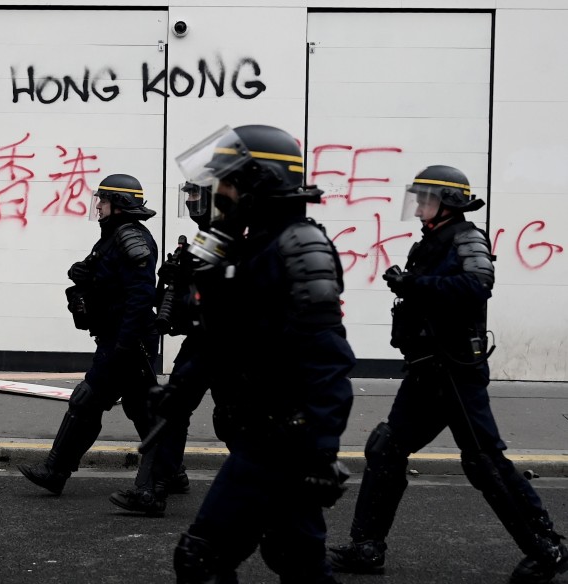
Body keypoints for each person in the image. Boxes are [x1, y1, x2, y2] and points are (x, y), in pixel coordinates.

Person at [329, 165, 568, 583]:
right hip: (427, 370)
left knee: (484, 462)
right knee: (386, 449)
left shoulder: (466, 236)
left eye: (426, 198)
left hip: (456, 370)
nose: (419, 205)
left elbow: (478, 284)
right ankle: (366, 549)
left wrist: (416, 286)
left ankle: (547, 549)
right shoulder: (431, 240)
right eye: (417, 197)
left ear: (449, 202)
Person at [171, 124, 356, 584]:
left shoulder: (300, 247)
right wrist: (179, 390)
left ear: (260, 182)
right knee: (298, 560)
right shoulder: (253, 245)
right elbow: (224, 337)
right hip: (260, 429)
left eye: (228, 181)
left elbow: (329, 360)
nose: (221, 192)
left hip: (282, 441)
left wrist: (321, 450)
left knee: (202, 558)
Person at [19, 173, 160, 497]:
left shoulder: (130, 238)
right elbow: (109, 276)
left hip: (127, 339)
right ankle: (172, 474)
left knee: (88, 400)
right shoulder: (114, 235)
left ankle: (56, 471)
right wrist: (83, 274)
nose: (98, 205)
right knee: (141, 409)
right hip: (120, 336)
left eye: (104, 200)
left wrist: (124, 344)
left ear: (119, 204)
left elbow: (140, 296)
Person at [107, 182, 217, 516]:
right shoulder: (205, 241)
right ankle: (152, 490)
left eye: (197, 196)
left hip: (234, 347)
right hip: (206, 342)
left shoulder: (233, 240)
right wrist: (174, 287)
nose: (191, 203)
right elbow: (187, 314)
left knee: (243, 425)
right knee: (171, 411)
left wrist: (194, 281)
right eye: (189, 197)